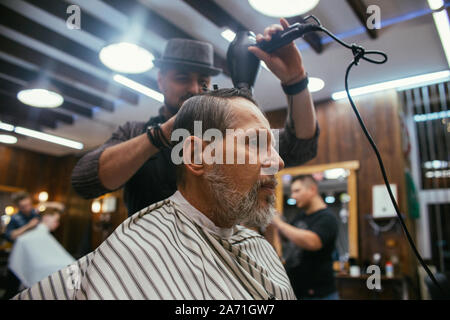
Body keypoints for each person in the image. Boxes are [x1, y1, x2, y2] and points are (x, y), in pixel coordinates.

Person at [13, 88, 296, 300]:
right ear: (198, 155)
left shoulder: (258, 247)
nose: (278, 162)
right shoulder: (136, 250)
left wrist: (295, 83)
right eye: (256, 142)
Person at [71, 18, 319, 216]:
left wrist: (295, 81)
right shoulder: (135, 132)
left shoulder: (224, 135)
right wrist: (161, 135)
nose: (193, 88)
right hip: (149, 261)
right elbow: (84, 181)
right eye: (182, 78)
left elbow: (300, 148)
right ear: (160, 80)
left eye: (203, 81)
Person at [271, 175, 339, 300]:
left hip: (319, 294)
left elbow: (313, 242)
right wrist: (278, 223)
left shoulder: (327, 218)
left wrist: (280, 224)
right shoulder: (301, 216)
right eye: (292, 192)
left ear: (312, 190)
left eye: (297, 191)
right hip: (297, 292)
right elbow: (288, 238)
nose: (293, 196)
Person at [8, 205, 75, 288]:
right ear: (46, 217)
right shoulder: (33, 236)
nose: (57, 223)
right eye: (56, 220)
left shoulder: (40, 235)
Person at [2, 191, 40, 299]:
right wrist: (28, 226)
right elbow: (10, 235)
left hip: (32, 256)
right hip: (18, 255)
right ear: (19, 207)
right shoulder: (15, 218)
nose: (27, 208)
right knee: (12, 287)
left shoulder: (36, 214)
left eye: (29, 205)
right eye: (24, 207)